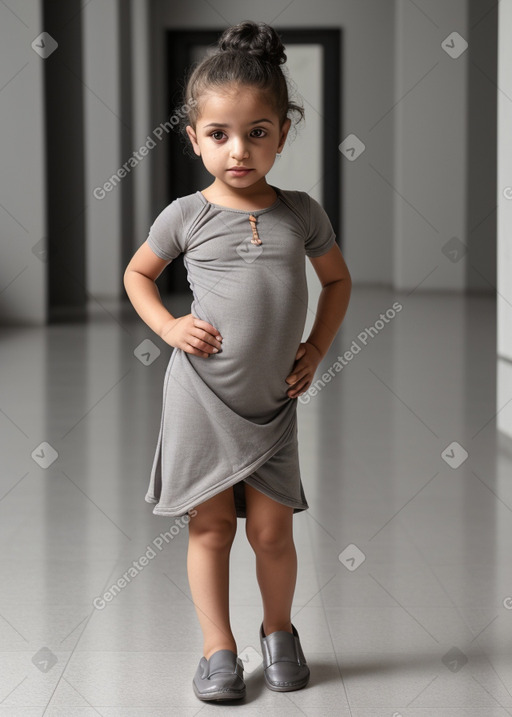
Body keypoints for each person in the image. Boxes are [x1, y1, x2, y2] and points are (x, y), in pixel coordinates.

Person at [123, 19, 351, 703]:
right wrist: (169, 324)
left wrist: (316, 346)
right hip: (201, 397)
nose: (238, 150)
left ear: (284, 131)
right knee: (212, 525)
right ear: (193, 139)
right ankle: (218, 647)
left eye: (257, 131)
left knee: (273, 531)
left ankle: (279, 630)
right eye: (219, 134)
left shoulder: (301, 213)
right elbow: (138, 274)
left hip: (271, 404)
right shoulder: (185, 215)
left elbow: (337, 282)